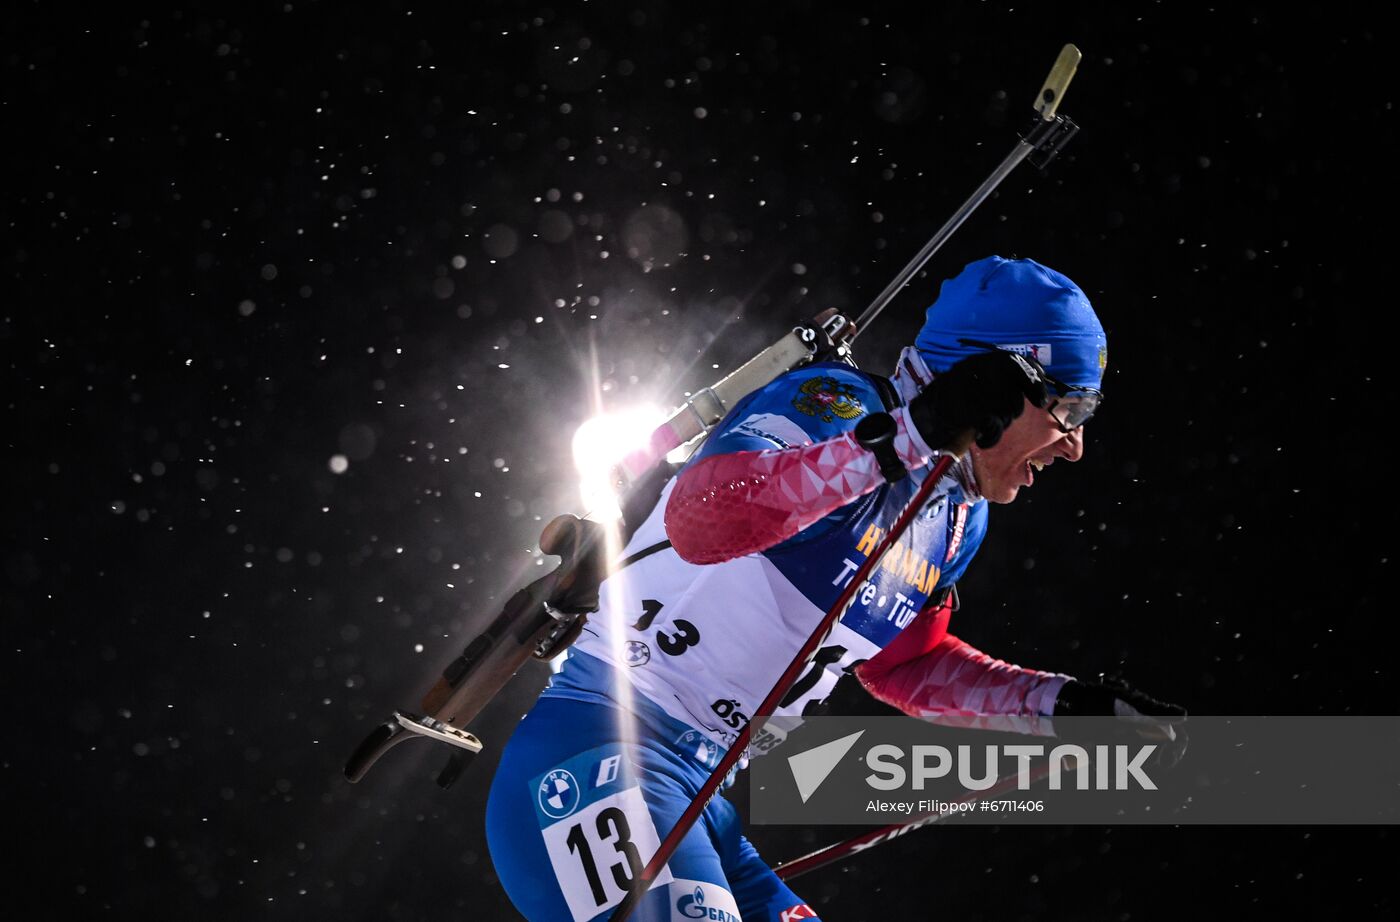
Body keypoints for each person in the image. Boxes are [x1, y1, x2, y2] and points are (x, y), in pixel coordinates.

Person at [485, 255, 1184, 921]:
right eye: (1070, 408)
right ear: (998, 383)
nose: (1074, 444)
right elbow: (703, 519)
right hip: (599, 753)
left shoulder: (954, 519)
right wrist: (906, 436)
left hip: (701, 798)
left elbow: (902, 667)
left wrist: (1063, 706)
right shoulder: (836, 404)